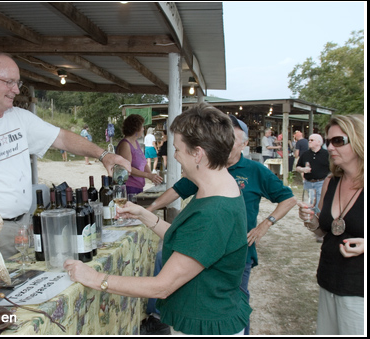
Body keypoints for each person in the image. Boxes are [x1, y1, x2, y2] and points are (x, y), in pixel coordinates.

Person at [0, 52, 131, 259]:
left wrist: (103, 155)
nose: (16, 90)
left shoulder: (19, 118)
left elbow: (62, 138)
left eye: (17, 83)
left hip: (25, 227)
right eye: (8, 82)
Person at [65, 103, 252, 335]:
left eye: (177, 149)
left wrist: (95, 278)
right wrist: (145, 215)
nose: (174, 156)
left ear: (198, 153)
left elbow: (162, 286)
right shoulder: (218, 187)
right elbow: (192, 242)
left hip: (207, 325)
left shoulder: (214, 211)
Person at [145, 115, 297, 335]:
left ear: (244, 144)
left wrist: (266, 223)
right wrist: (149, 209)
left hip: (238, 250)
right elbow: (178, 190)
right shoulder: (208, 169)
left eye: (232, 139)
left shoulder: (254, 170)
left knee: (233, 302)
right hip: (207, 247)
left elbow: (289, 198)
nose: (225, 143)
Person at [297, 115, 364, 335]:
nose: (330, 147)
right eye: (328, 141)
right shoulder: (331, 181)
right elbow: (324, 231)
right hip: (328, 280)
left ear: (359, 141)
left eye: (338, 141)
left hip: (359, 290)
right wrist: (311, 221)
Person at [116, 114, 162, 194]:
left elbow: (143, 163)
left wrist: (152, 177)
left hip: (138, 186)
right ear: (135, 129)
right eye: (142, 127)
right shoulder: (125, 145)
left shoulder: (135, 142)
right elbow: (127, 168)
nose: (143, 129)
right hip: (128, 187)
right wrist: (148, 175)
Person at [296, 133, 331, 208]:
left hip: (321, 182)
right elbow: (297, 167)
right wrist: (302, 169)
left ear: (319, 142)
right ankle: (311, 218)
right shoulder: (305, 154)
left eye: (312, 140)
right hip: (308, 182)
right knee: (308, 204)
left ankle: (318, 217)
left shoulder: (327, 154)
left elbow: (332, 169)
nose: (309, 141)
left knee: (319, 204)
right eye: (309, 140)